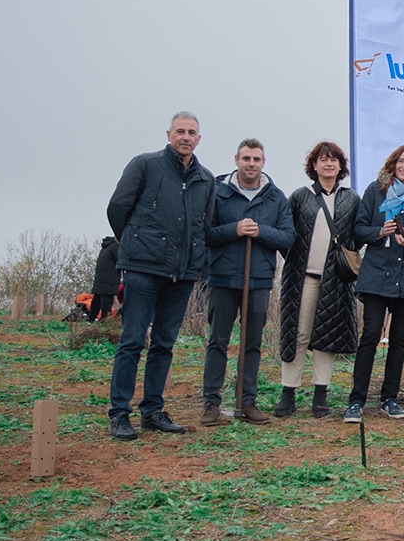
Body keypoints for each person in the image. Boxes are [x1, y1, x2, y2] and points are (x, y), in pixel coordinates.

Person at [105, 112, 215, 440]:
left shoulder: (206, 179)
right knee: (132, 340)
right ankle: (119, 413)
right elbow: (117, 208)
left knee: (164, 344)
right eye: (180, 131)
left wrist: (195, 263)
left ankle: (152, 410)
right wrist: (136, 243)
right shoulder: (146, 165)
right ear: (169, 134)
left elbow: (204, 226)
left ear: (199, 139)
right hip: (143, 269)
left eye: (191, 132)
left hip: (181, 275)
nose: (185, 136)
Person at [200, 138, 295, 426]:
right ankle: (211, 403)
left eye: (256, 159)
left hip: (258, 279)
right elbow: (206, 233)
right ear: (236, 160)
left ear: (263, 162)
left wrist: (260, 231)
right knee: (218, 340)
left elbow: (287, 238)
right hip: (223, 277)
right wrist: (236, 229)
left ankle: (248, 402)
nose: (251, 164)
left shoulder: (275, 197)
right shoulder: (218, 191)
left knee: (251, 343)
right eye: (246, 159)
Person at [342, 144, 404, 423]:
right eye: (401, 161)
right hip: (376, 273)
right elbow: (358, 230)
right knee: (370, 335)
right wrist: (378, 231)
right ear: (393, 164)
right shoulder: (376, 190)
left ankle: (389, 398)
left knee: (398, 340)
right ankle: (356, 400)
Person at [276, 142, 359, 419]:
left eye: (334, 160)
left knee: (326, 337)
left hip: (335, 280)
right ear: (313, 165)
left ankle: (320, 395)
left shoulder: (351, 199)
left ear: (340, 166)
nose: (328, 164)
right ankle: (288, 393)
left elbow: (356, 238)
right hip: (301, 279)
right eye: (323, 159)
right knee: (297, 334)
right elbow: (286, 235)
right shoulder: (299, 197)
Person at [89, 236, 120, 321]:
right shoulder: (115, 247)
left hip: (100, 278)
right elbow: (120, 260)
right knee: (106, 301)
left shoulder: (106, 247)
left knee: (97, 298)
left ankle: (91, 318)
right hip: (109, 279)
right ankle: (104, 320)